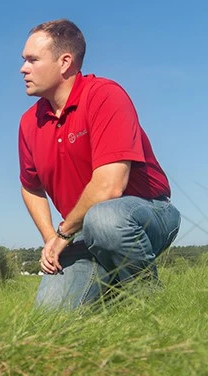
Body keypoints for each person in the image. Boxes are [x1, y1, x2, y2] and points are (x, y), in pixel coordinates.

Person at [18, 19, 181, 309]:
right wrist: (50, 240)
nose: (23, 68)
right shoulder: (30, 122)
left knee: (105, 219)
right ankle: (110, 293)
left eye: (32, 60)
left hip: (145, 215)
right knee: (49, 318)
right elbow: (30, 187)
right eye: (24, 60)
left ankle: (149, 305)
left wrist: (62, 234)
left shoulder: (105, 95)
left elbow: (110, 186)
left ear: (65, 62)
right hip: (78, 232)